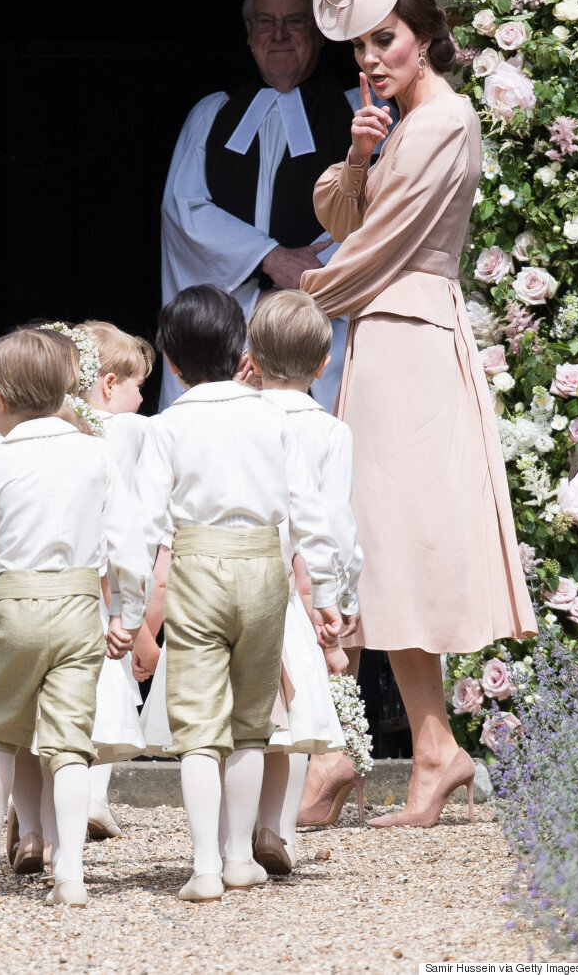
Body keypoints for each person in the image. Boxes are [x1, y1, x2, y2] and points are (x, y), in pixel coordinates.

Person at [300, 0, 538, 827]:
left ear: (426, 36)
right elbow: (348, 216)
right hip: (386, 341)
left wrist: (292, 310)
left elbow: (383, 245)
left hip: (410, 337)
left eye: (385, 38)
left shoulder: (443, 122)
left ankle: (373, 750)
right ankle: (423, 748)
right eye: (361, 45)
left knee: (385, 539)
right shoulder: (401, 126)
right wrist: (359, 149)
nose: (371, 57)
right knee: (373, 543)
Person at [136, 284, 342, 902]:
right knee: (252, 724)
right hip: (263, 570)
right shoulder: (271, 417)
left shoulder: (167, 425)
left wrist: (126, 606)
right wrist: (327, 591)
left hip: (197, 564)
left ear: (170, 361)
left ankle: (203, 865)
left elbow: (141, 524)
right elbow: (309, 510)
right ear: (241, 350)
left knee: (199, 726)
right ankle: (237, 858)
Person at [0, 328, 150, 907]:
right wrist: (127, 616)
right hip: (81, 607)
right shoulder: (94, 452)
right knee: (70, 743)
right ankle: (72, 875)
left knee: (1, 734)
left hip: (15, 606)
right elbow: (129, 547)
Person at [159, 0, 357, 412]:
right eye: (266, 22)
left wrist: (307, 277)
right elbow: (183, 211)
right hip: (236, 317)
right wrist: (269, 258)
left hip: (322, 318)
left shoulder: (358, 115)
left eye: (295, 21)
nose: (279, 34)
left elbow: (380, 215)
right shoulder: (213, 115)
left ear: (321, 31)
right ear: (249, 34)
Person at [240, 290, 362, 869]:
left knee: (244, 717)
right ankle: (278, 831)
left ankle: (232, 834)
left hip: (238, 575)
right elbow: (334, 522)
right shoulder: (332, 432)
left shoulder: (240, 418)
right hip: (298, 595)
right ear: (323, 364)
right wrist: (341, 596)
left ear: (252, 358)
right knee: (291, 727)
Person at [77, 320, 155, 838]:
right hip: (108, 590)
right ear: (109, 384)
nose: (143, 399)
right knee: (109, 691)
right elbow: (119, 531)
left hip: (56, 589)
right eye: (138, 387)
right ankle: (93, 798)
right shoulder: (126, 430)